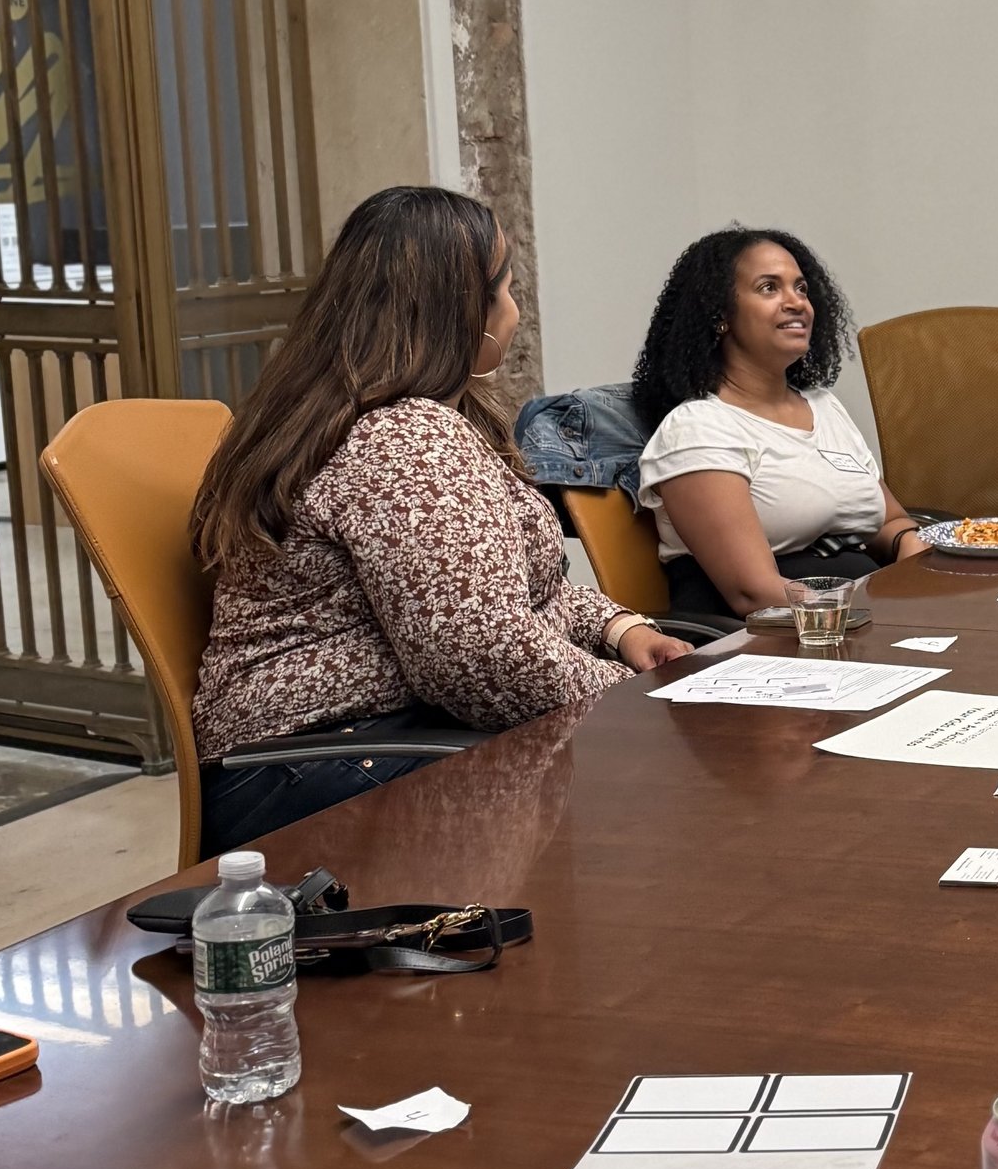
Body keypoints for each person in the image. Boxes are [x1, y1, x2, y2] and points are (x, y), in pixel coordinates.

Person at [191, 187, 688, 854]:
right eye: (506, 290)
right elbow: (483, 656)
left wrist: (616, 627)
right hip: (316, 769)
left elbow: (502, 594)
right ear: (463, 314)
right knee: (651, 806)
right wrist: (645, 700)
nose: (516, 311)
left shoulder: (403, 417)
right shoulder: (405, 439)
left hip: (355, 748)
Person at [633, 228, 928, 620]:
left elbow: (889, 520)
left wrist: (910, 548)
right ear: (720, 314)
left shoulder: (825, 408)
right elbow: (752, 594)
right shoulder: (698, 428)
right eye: (769, 288)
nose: (796, 303)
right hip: (773, 638)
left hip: (858, 614)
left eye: (801, 288)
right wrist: (879, 615)